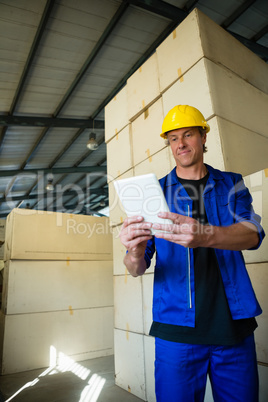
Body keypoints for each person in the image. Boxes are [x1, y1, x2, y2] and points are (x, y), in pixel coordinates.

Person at [119, 105, 265, 402]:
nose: (181, 144)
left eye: (188, 135)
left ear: (203, 136)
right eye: (173, 138)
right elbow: (136, 267)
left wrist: (205, 235)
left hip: (232, 327)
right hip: (177, 332)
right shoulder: (155, 192)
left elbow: (253, 234)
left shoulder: (231, 183)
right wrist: (134, 250)